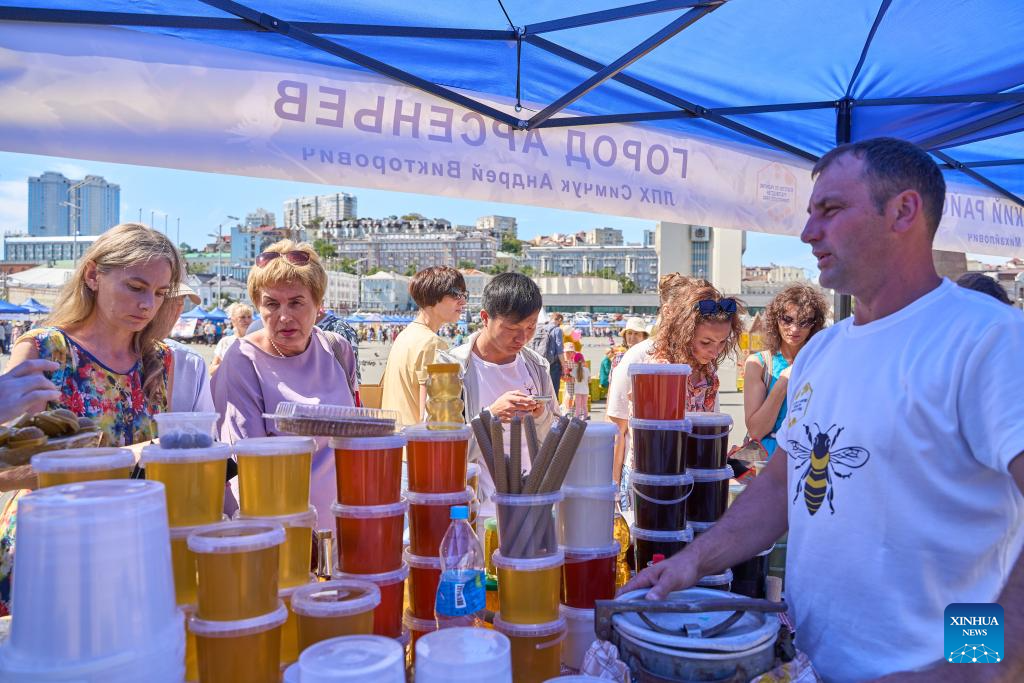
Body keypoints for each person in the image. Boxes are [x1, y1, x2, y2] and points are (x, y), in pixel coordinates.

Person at [624, 138, 1024, 682]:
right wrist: (694, 560)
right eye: (811, 214)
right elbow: (778, 490)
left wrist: (981, 667)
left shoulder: (987, 338)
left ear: (903, 210)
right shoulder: (821, 352)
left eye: (830, 210)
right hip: (808, 664)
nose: (809, 233)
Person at [2, 222, 183, 615]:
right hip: (53, 546)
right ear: (93, 275)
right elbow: (6, 469)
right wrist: (128, 456)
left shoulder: (159, 359)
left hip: (130, 543)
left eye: (159, 293)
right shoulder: (46, 349)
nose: (148, 304)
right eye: (136, 287)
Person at [211, 240, 357, 529]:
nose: (284, 316)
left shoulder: (337, 349)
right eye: (272, 304)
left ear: (318, 304)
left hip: (343, 527)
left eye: (296, 302)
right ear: (258, 307)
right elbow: (247, 465)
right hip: (279, 532)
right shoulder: (242, 361)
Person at [607, 276, 744, 491]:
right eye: (706, 342)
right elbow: (615, 429)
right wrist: (611, 492)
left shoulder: (708, 367)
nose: (715, 351)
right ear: (683, 331)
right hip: (647, 479)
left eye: (722, 342)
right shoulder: (641, 357)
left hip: (695, 476)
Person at [437, 273, 560, 507]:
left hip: (533, 505)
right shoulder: (452, 369)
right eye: (511, 328)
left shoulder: (537, 366)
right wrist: (490, 417)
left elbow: (556, 439)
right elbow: (439, 449)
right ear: (485, 318)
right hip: (477, 510)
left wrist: (541, 416)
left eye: (531, 326)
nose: (522, 337)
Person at [742, 283, 828, 458]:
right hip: (766, 462)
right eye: (787, 320)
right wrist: (783, 383)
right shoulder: (759, 364)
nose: (795, 329)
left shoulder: (823, 364)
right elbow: (756, 431)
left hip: (809, 459)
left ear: (814, 325)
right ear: (775, 319)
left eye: (804, 322)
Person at [381, 266, 467, 427]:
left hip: (397, 441)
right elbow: (431, 415)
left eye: (464, 295)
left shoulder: (405, 336)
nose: (463, 301)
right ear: (433, 296)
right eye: (456, 294)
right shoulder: (432, 344)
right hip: (416, 446)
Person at [156, 283, 215, 413]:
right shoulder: (189, 360)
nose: (178, 309)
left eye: (180, 302)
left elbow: (203, 426)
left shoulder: (191, 361)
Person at [210, 302, 253, 375]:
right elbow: (212, 371)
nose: (247, 320)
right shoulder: (225, 342)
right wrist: (228, 364)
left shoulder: (257, 340)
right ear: (233, 320)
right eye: (242, 317)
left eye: (249, 317)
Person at [571, 352, 590, 419]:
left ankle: (577, 419)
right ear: (583, 361)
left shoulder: (574, 370)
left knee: (578, 406)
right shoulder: (587, 370)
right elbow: (589, 381)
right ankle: (586, 418)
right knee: (585, 406)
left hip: (577, 390)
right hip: (585, 390)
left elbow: (572, 381)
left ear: (575, 362)